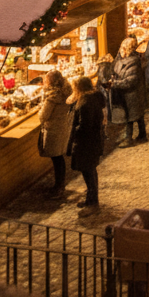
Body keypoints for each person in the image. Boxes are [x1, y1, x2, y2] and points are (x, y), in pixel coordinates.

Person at [67, 76, 105, 209]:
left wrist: (73, 133)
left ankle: (93, 202)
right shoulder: (94, 98)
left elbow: (84, 125)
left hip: (86, 143)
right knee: (91, 171)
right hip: (93, 141)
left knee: (88, 172)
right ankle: (90, 199)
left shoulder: (85, 103)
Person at [38, 69, 72, 197]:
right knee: (59, 158)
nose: (44, 83)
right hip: (62, 127)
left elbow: (43, 116)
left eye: (46, 80)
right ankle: (60, 185)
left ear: (50, 82)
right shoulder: (65, 92)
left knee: (56, 159)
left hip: (53, 130)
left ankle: (59, 187)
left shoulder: (52, 98)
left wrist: (40, 109)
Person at [109, 36, 148, 147]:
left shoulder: (133, 62)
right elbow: (117, 70)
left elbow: (130, 81)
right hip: (129, 93)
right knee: (138, 115)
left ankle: (128, 138)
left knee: (130, 117)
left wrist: (114, 83)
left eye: (122, 48)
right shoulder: (123, 60)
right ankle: (142, 135)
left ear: (127, 49)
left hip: (131, 94)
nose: (120, 51)